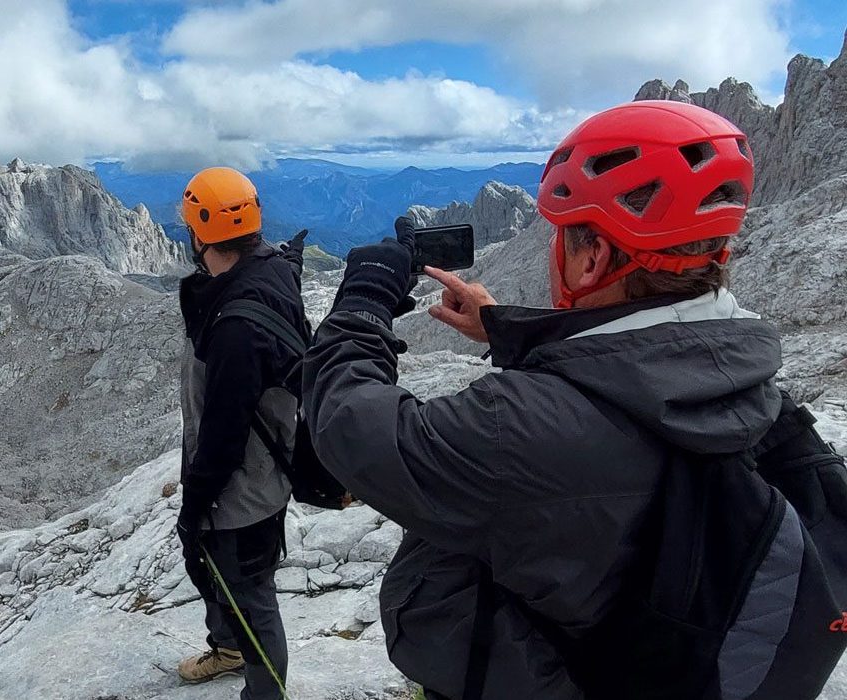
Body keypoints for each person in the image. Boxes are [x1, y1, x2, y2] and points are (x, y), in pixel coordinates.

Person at [301, 101, 837, 698]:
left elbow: (350, 426)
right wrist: (505, 327)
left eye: (562, 233)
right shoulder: (741, 370)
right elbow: (623, 372)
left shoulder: (513, 428)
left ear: (592, 259)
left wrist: (362, 304)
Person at [175, 166, 306, 699]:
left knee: (251, 592)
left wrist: (196, 497)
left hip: (242, 490)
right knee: (208, 564)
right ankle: (227, 647)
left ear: (199, 234)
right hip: (259, 473)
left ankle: (265, 690)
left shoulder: (235, 329)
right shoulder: (267, 271)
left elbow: (226, 433)